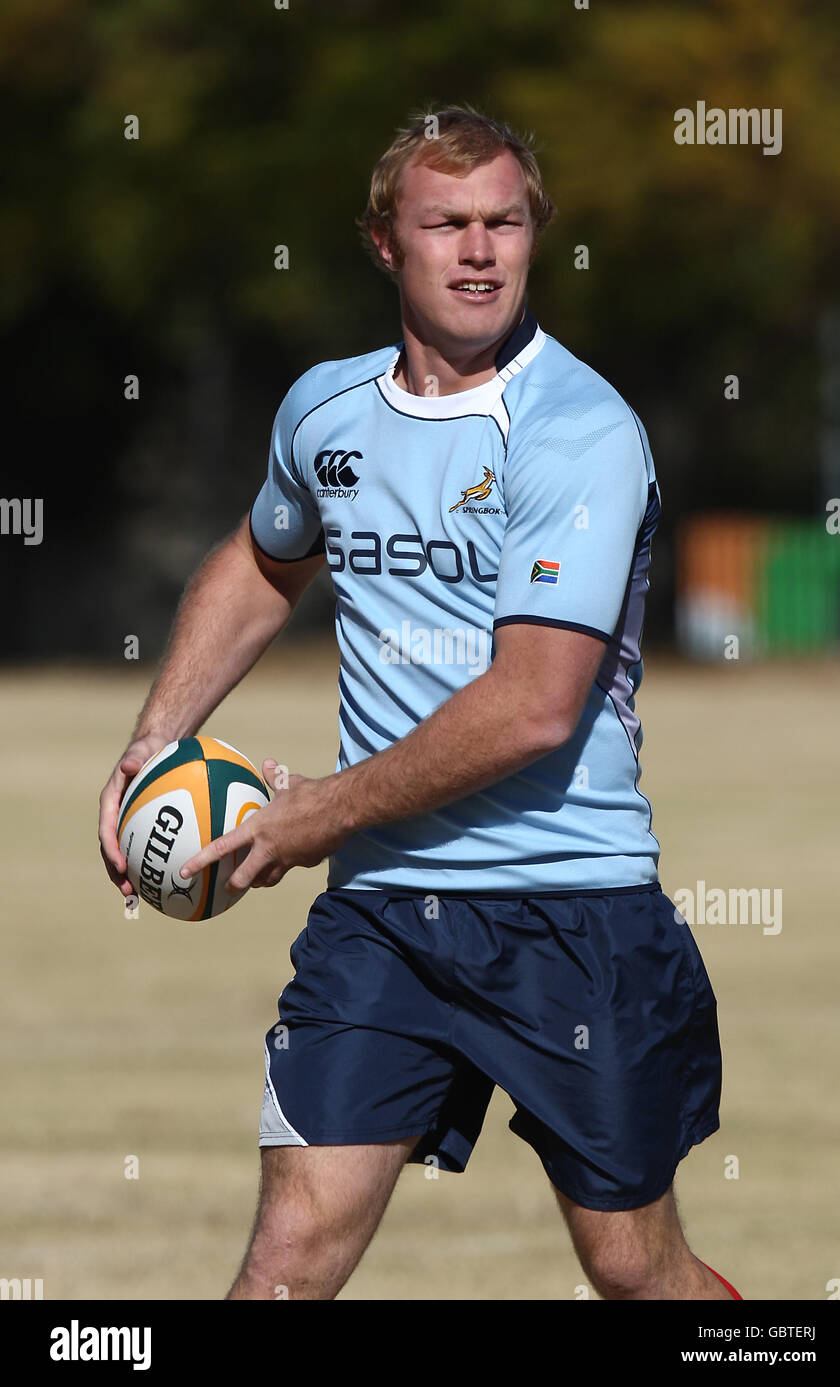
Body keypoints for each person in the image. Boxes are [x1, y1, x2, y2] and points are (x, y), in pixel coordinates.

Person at [98, 105, 741, 1301]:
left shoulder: (578, 432)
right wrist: (158, 734)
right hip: (385, 917)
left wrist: (316, 815)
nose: (480, 249)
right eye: (444, 223)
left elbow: (533, 704)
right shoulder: (327, 412)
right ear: (386, 245)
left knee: (632, 1271)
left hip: (570, 915)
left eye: (504, 220)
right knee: (288, 1257)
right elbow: (259, 562)